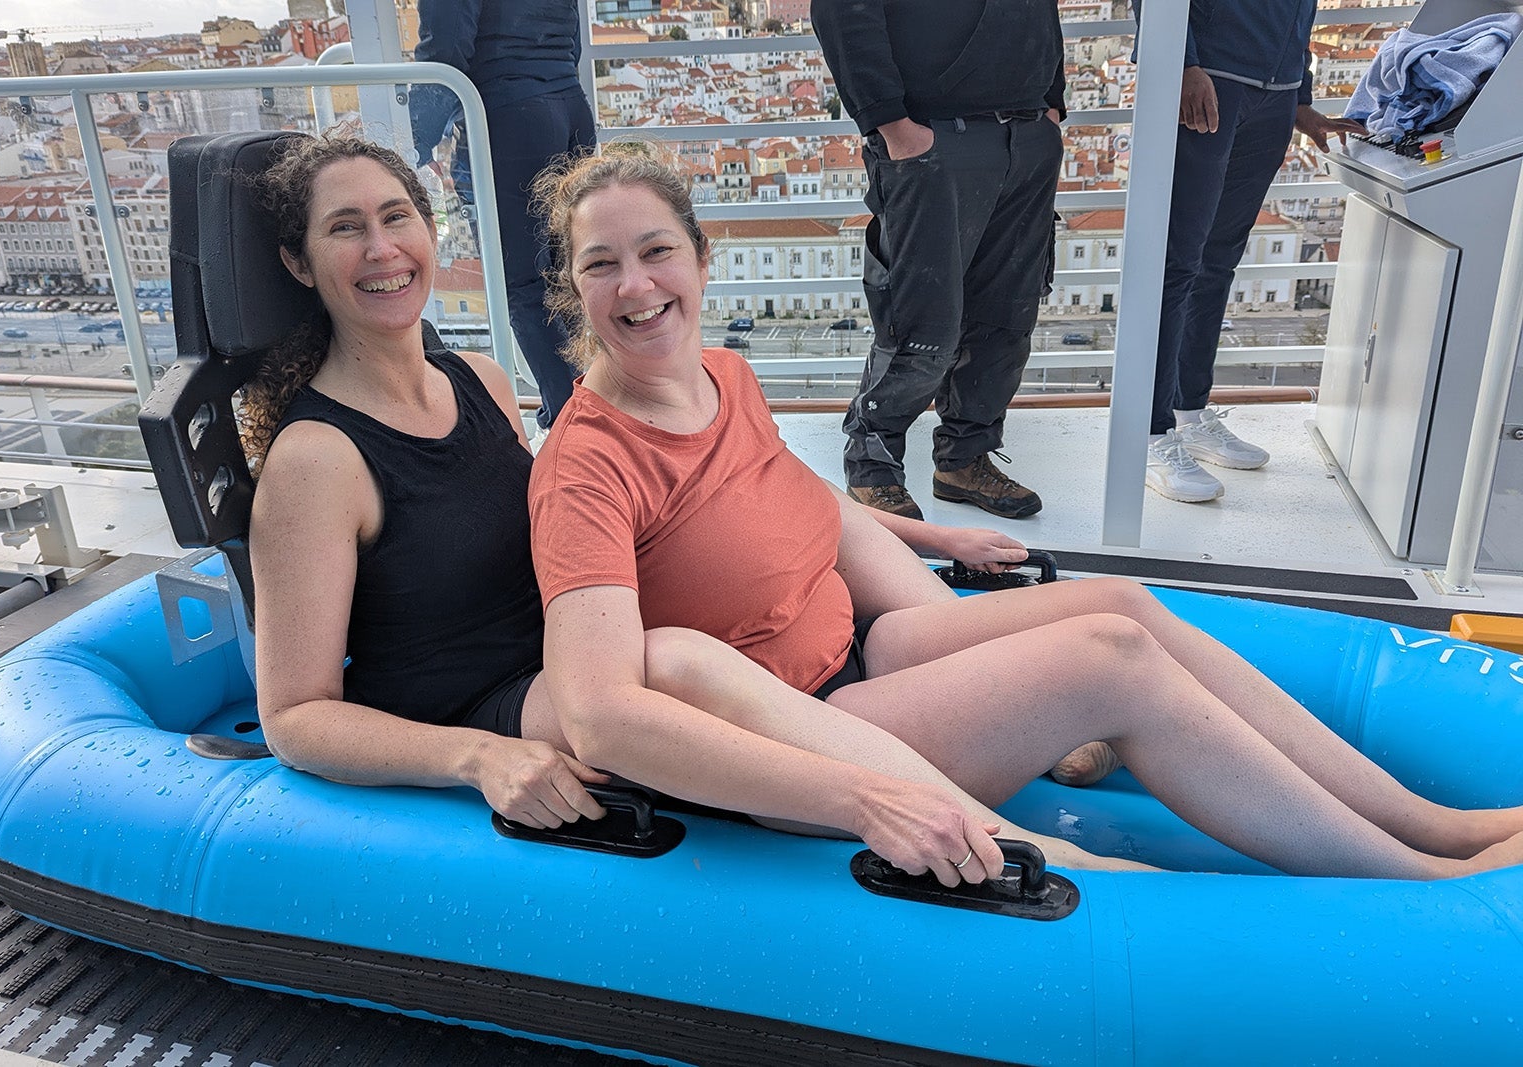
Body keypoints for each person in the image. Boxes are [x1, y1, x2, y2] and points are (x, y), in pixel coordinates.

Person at [526, 147, 1523, 880]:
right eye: (601, 263)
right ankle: (1415, 874)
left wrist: (933, 536)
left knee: (1124, 602)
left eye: (656, 251)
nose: (636, 284)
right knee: (1107, 658)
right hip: (807, 728)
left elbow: (790, 504)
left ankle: (1431, 821)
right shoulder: (585, 466)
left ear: (701, 259)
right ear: (572, 292)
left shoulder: (720, 374)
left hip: (867, 651)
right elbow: (597, 706)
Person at [243, 131, 1073, 885]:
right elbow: (293, 715)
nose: (382, 247)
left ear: (428, 232)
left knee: (693, 629)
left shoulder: (477, 381)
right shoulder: (317, 459)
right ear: (299, 262)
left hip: (570, 645)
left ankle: (961, 749)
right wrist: (476, 756)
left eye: (396, 216)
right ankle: (993, 843)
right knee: (676, 661)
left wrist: (918, 532)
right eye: (345, 228)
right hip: (480, 696)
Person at [808, 0, 1066, 521]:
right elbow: (842, 9)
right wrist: (892, 124)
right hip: (933, 137)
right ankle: (873, 465)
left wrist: (1051, 104)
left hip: (1027, 131)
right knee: (920, 318)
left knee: (1008, 314)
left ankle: (964, 460)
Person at [1138, 0, 1364, 503]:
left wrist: (1299, 97)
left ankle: (1189, 413)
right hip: (1211, 80)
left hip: (1275, 96)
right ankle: (1149, 434)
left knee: (1217, 263)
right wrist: (1183, 63)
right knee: (1176, 265)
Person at [409, 0, 594, 436]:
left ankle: (578, 426)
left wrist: (413, 138)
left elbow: (445, 42)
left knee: (524, 284)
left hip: (509, 115)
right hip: (569, 107)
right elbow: (573, 38)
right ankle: (585, 407)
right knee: (575, 271)